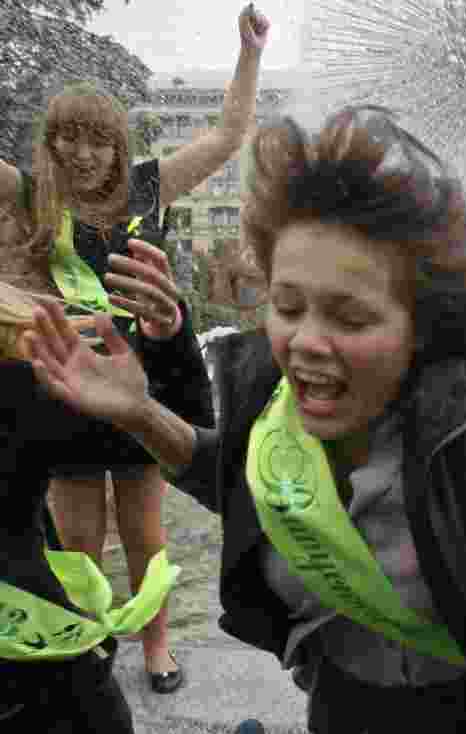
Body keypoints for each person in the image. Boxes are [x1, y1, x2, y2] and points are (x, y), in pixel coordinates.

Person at [25, 106, 466, 734]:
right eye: (288, 306)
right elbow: (238, 480)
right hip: (341, 700)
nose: (305, 342)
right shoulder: (267, 382)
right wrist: (138, 412)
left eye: (350, 317)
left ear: (419, 323)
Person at [0, 3, 271, 691]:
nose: (83, 154)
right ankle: (88, 653)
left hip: (140, 384)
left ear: (117, 146)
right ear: (51, 143)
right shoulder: (32, 197)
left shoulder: (146, 187)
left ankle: (156, 648)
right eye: (69, 138)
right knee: (78, 540)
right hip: (64, 384)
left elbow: (230, 133)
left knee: (147, 531)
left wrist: (250, 50)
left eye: (98, 140)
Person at [0, 246, 211, 732]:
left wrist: (165, 344)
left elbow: (189, 444)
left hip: (42, 683)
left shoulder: (15, 373)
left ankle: (157, 647)